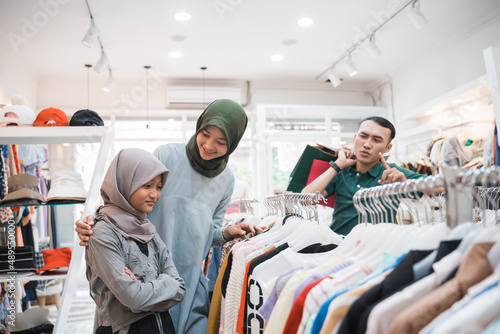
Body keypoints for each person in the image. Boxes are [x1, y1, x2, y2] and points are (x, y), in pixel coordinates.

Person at [76, 99, 262, 333]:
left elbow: (206, 232)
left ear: (233, 143)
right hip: (142, 273)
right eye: (205, 134)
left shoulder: (227, 180)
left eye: (221, 141)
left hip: (188, 282)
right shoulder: (166, 155)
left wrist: (225, 233)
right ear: (198, 127)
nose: (209, 145)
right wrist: (95, 221)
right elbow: (128, 200)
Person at [86, 148, 186, 334]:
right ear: (125, 183)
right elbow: (133, 297)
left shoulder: (148, 230)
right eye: (147, 185)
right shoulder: (102, 234)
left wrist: (141, 291)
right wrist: (165, 284)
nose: (154, 194)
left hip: (163, 326)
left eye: (158, 187)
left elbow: (180, 287)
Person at [302, 116, 426, 236]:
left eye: (376, 140)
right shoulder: (341, 171)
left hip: (375, 248)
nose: (367, 144)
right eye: (363, 136)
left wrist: (405, 183)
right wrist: (338, 165)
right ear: (355, 138)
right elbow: (304, 199)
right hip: (338, 245)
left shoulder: (392, 172)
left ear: (388, 148)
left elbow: (439, 187)